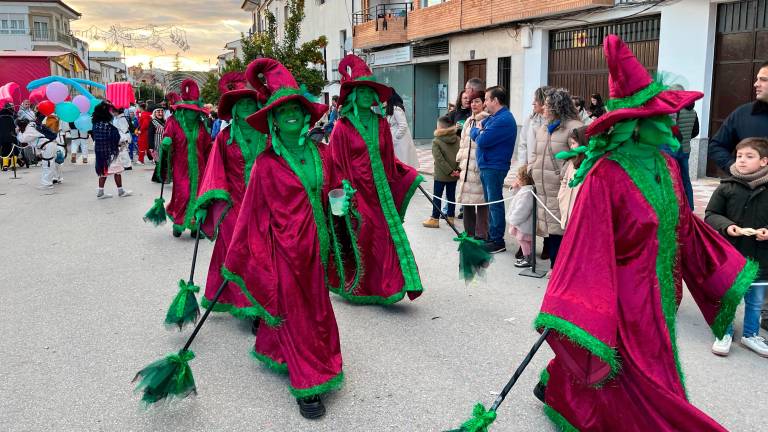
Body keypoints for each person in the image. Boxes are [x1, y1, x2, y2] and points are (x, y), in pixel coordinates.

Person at [533, 35, 757, 432]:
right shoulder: (605, 174)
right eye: (658, 117)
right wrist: (584, 304)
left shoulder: (668, 167)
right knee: (640, 371)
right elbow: (585, 248)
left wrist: (723, 271)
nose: (670, 123)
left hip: (662, 292)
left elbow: (685, 226)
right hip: (621, 294)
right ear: (633, 125)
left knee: (636, 365)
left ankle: (561, 389)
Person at [221, 58, 348, 419]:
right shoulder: (266, 164)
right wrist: (242, 258)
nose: (290, 114)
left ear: (306, 116)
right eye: (282, 110)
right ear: (273, 120)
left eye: (296, 108)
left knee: (318, 310)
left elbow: (334, 196)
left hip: (318, 250)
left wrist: (343, 203)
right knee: (297, 315)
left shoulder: (320, 153)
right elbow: (250, 217)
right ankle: (307, 383)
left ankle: (279, 351)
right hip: (284, 254)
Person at [328, 53, 424, 304]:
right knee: (365, 236)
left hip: (379, 193)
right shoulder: (342, 127)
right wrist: (345, 191)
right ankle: (362, 287)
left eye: (372, 92)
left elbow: (388, 159)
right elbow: (336, 164)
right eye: (363, 91)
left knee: (386, 235)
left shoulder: (381, 123)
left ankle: (388, 285)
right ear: (353, 95)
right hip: (357, 193)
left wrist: (407, 175)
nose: (369, 96)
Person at [193, 68, 267, 321]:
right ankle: (245, 305)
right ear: (233, 109)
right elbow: (214, 172)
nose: (246, 106)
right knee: (238, 252)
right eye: (241, 103)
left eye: (250, 101)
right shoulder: (224, 138)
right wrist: (206, 204)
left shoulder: (269, 135)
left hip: (265, 205)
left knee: (263, 254)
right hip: (233, 206)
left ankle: (262, 301)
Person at [706, 137, 768, 357]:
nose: (741, 161)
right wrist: (727, 226)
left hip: (762, 257)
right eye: (739, 156)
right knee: (729, 296)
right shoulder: (727, 187)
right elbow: (711, 215)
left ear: (764, 161)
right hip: (731, 255)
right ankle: (725, 332)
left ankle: (751, 335)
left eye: (749, 157)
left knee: (756, 299)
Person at [530, 88, 583, 267]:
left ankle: (559, 268)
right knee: (551, 229)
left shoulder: (574, 127)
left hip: (561, 185)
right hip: (543, 186)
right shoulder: (543, 128)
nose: (544, 108)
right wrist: (531, 169)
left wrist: (563, 173)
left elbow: (579, 156)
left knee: (561, 228)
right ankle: (555, 265)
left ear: (556, 106)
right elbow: (535, 153)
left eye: (547, 105)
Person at [162, 79, 213, 238]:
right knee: (183, 193)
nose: (192, 113)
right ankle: (178, 222)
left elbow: (207, 147)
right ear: (183, 110)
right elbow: (167, 140)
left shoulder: (202, 126)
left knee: (198, 195)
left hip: (200, 166)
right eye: (188, 110)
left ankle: (195, 226)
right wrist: (166, 144)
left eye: (194, 111)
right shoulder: (173, 123)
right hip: (181, 166)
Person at [471, 86, 517, 254]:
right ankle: (492, 236)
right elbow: (481, 129)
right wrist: (480, 129)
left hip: (494, 166)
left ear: (495, 101)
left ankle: (498, 240)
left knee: (495, 203)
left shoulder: (503, 119)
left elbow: (483, 140)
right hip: (487, 165)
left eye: (487, 99)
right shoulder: (494, 118)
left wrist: (476, 130)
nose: (485, 103)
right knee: (491, 202)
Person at [708, 61, 768, 173]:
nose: (756, 84)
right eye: (757, 79)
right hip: (747, 188)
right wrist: (733, 167)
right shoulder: (742, 113)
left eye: (763, 80)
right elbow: (716, 146)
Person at [456, 90, 488, 240]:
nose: (474, 104)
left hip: (478, 166)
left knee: (481, 201)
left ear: (484, 103)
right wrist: (460, 163)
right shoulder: (468, 121)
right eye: (472, 101)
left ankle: (481, 233)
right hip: (466, 167)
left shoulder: (488, 120)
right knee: (467, 200)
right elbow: (463, 144)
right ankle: (469, 232)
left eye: (477, 101)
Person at [423, 115, 459, 228]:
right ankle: (451, 218)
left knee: (437, 196)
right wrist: (456, 170)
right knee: (451, 196)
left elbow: (439, 160)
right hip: (454, 174)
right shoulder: (457, 139)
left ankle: (435, 218)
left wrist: (448, 171)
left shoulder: (436, 141)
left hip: (441, 174)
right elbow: (460, 156)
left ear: (440, 127)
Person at [92, 101, 131, 198]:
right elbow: (118, 139)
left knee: (103, 172)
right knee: (117, 171)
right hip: (111, 152)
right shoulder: (109, 126)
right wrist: (123, 142)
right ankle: (121, 191)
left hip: (100, 152)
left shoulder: (96, 125)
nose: (112, 113)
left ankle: (100, 192)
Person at [556, 126, 588, 231]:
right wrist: (562, 196)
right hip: (568, 211)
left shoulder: (589, 166)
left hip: (581, 217)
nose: (572, 148)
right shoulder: (572, 161)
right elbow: (564, 181)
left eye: (574, 143)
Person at [506, 165, 535, 268]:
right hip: (524, 223)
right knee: (527, 240)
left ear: (524, 179)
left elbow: (522, 209)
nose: (516, 179)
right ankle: (529, 257)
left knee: (523, 240)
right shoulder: (525, 189)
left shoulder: (526, 193)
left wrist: (513, 220)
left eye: (518, 177)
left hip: (523, 224)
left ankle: (528, 258)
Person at [386, 91, 419, 168]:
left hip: (400, 142)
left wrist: (396, 137)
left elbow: (403, 125)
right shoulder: (392, 109)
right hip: (397, 141)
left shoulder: (396, 109)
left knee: (402, 162)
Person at [148, 104, 169, 183]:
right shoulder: (153, 122)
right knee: (159, 162)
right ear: (154, 113)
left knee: (162, 162)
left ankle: (155, 177)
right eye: (158, 111)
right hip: (156, 145)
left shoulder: (165, 121)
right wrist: (151, 146)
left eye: (161, 111)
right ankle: (159, 178)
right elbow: (150, 135)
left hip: (164, 145)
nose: (160, 113)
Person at [0, 103, 18, 171]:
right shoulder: (12, 116)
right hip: (12, 135)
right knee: (15, 150)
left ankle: (5, 166)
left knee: (5, 150)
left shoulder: (0, 116)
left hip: (3, 137)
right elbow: (14, 127)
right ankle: (13, 165)